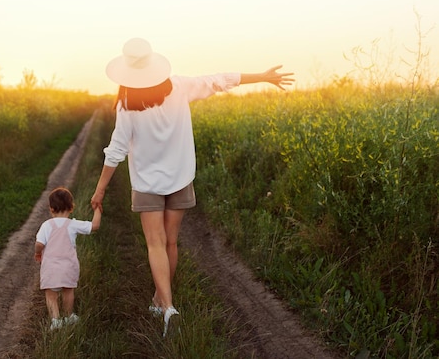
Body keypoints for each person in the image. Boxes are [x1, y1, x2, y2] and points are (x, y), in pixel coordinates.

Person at [90, 37, 294, 337]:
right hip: (180, 179)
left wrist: (101, 189)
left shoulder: (126, 105)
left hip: (147, 183)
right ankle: (161, 302)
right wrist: (262, 77)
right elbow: (221, 80)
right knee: (171, 242)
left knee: (155, 244)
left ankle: (167, 306)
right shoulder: (179, 86)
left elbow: (116, 150)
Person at [35, 187, 102, 330]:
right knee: (68, 291)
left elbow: (39, 243)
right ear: (71, 208)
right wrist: (97, 210)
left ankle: (55, 319)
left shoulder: (46, 225)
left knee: (51, 294)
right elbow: (94, 226)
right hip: (69, 266)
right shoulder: (73, 224)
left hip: (51, 267)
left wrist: (38, 253)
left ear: (51, 208)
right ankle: (69, 315)